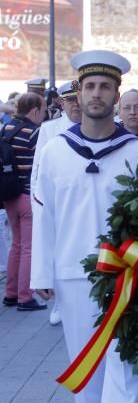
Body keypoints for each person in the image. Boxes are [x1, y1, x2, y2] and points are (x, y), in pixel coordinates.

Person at [31, 50, 138, 403]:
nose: (97, 94)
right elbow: (43, 216)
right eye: (89, 87)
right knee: (85, 359)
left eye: (105, 86)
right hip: (72, 273)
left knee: (125, 360)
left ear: (117, 95)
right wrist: (40, 274)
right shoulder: (56, 152)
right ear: (78, 95)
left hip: (126, 274)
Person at [30, 80, 82, 326]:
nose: (76, 105)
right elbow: (37, 171)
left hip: (82, 201)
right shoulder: (50, 130)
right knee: (59, 253)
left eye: (77, 98)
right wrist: (36, 204)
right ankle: (60, 302)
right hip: (58, 204)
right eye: (70, 100)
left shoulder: (99, 125)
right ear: (61, 103)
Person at [2, 92, 47, 311]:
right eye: (44, 110)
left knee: (16, 246)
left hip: (9, 195)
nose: (45, 115)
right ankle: (24, 297)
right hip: (28, 196)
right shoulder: (35, 133)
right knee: (29, 248)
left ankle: (10, 294)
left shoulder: (6, 128)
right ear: (35, 110)